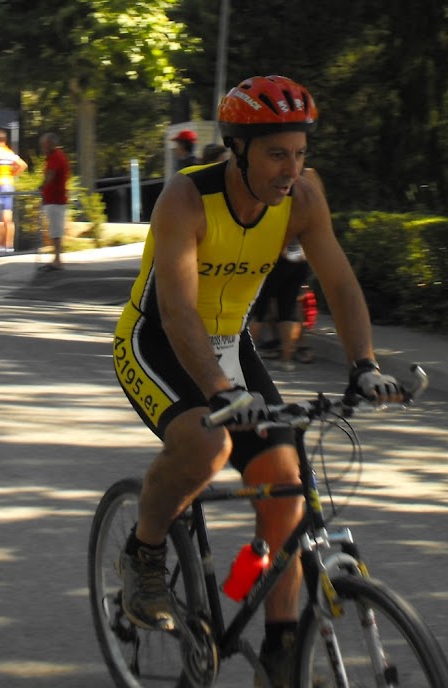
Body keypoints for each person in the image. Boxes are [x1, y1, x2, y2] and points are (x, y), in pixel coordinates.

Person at [111, 75, 400, 685]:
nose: (290, 170)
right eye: (276, 154)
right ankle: (144, 551)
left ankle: (280, 646)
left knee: (287, 491)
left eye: (300, 153)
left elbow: (340, 284)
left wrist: (365, 365)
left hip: (230, 344)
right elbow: (178, 312)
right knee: (207, 444)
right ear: (237, 150)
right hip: (158, 339)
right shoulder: (187, 199)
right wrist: (219, 390)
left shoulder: (303, 198)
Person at [248, 239, 312, 370]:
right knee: (288, 312)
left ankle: (246, 359)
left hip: (274, 258)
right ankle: (286, 361)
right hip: (299, 260)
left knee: (259, 310)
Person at [0, 129, 27, 255]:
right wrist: (12, 174)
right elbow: (23, 165)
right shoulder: (9, 152)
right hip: (9, 184)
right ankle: (9, 246)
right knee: (8, 216)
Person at [39, 132, 69, 271]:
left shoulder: (56, 157)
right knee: (54, 230)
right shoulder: (53, 157)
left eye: (44, 144)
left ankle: (57, 260)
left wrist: (41, 187)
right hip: (52, 199)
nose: (42, 147)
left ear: (51, 144)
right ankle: (56, 259)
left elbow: (51, 175)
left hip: (56, 199)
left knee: (56, 230)